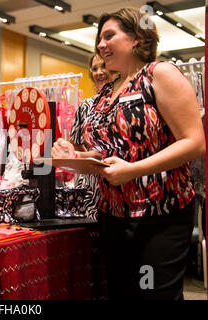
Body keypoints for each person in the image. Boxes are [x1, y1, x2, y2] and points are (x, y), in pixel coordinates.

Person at [52, 8, 205, 300]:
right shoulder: (106, 93)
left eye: (109, 36)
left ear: (136, 38)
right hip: (113, 217)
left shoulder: (159, 74)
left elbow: (194, 142)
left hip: (159, 215)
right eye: (99, 38)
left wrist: (133, 171)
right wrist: (74, 157)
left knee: (152, 295)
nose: (100, 44)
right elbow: (107, 157)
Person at [68, 54, 118, 220]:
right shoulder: (86, 106)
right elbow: (75, 141)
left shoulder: (126, 101)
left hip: (120, 179)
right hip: (91, 186)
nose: (99, 72)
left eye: (103, 66)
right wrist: (88, 159)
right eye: (94, 69)